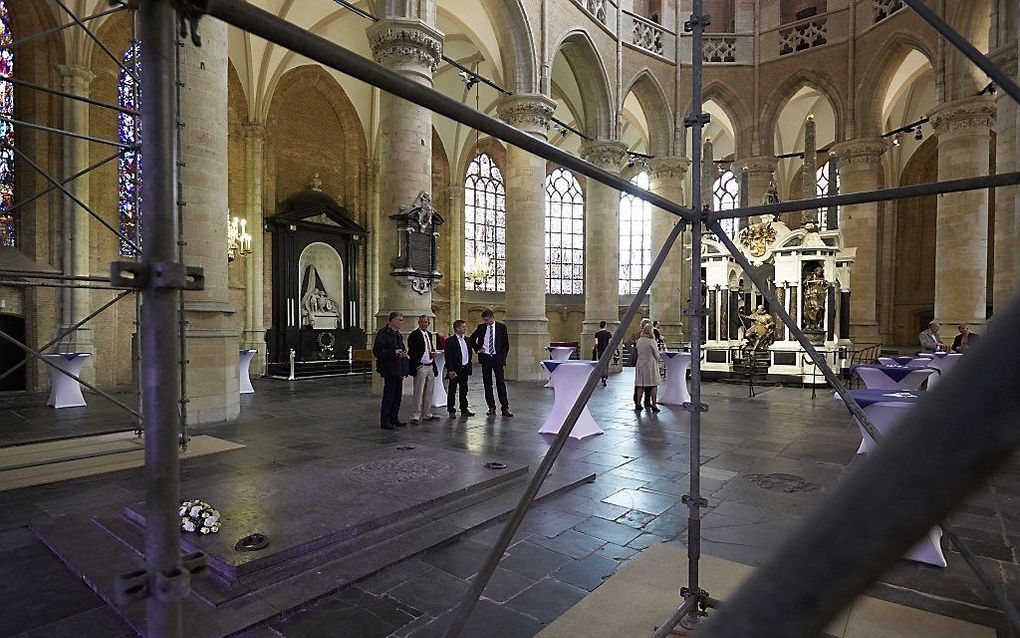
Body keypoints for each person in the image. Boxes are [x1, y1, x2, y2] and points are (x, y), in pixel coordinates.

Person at [470, 308, 512, 417]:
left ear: (493, 317)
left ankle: (505, 408)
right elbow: (471, 339)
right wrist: (478, 349)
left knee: (500, 384)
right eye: (484, 320)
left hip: (497, 359)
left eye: (487, 320)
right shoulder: (481, 327)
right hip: (486, 358)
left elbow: (505, 345)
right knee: (487, 384)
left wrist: (502, 358)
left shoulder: (501, 327)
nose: (486, 322)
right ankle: (491, 407)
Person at [373, 312, 408, 430]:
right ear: (392, 320)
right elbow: (377, 351)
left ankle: (394, 417)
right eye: (400, 320)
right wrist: (393, 352)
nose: (402, 322)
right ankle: (385, 420)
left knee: (398, 394)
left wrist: (403, 352)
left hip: (398, 368)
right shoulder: (383, 333)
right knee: (389, 395)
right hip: (389, 368)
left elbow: (401, 347)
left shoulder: (398, 334)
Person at [407, 314, 440, 424]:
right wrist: (418, 365)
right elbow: (412, 352)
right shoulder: (414, 335)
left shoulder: (429, 334)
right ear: (418, 323)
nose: (424, 324)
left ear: (428, 323)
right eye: (422, 322)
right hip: (421, 366)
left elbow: (429, 348)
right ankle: (415, 415)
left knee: (429, 391)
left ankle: (427, 414)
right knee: (419, 391)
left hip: (430, 365)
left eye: (426, 322)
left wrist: (433, 354)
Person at [444, 319, 474, 417]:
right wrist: (450, 370)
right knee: (452, 390)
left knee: (464, 389)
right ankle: (451, 410)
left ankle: (464, 408)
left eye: (465, 326)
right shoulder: (450, 341)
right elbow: (448, 356)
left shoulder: (467, 339)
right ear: (457, 328)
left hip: (465, 368)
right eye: (463, 327)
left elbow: (469, 353)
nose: (465, 328)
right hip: (455, 369)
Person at [633, 323, 662, 412]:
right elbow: (656, 355)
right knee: (653, 385)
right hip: (650, 365)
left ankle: (638, 404)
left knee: (640, 385)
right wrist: (659, 358)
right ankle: (654, 404)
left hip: (640, 364)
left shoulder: (639, 340)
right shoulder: (652, 341)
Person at [592, 320, 613, 387]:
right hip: (606, 351)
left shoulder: (597, 334)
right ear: (605, 325)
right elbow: (610, 343)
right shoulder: (608, 334)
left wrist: (594, 348)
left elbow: (596, 343)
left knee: (600, 364)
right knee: (606, 364)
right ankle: (605, 377)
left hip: (600, 351)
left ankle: (601, 377)